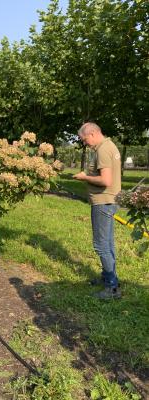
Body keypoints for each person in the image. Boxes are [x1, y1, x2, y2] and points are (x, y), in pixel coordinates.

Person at [73, 122, 121, 300]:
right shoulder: (109, 146)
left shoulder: (102, 150)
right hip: (108, 201)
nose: (85, 143)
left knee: (101, 245)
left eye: (84, 139)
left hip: (103, 202)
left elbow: (106, 180)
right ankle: (109, 278)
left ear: (92, 133)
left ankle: (112, 288)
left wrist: (85, 177)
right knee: (108, 243)